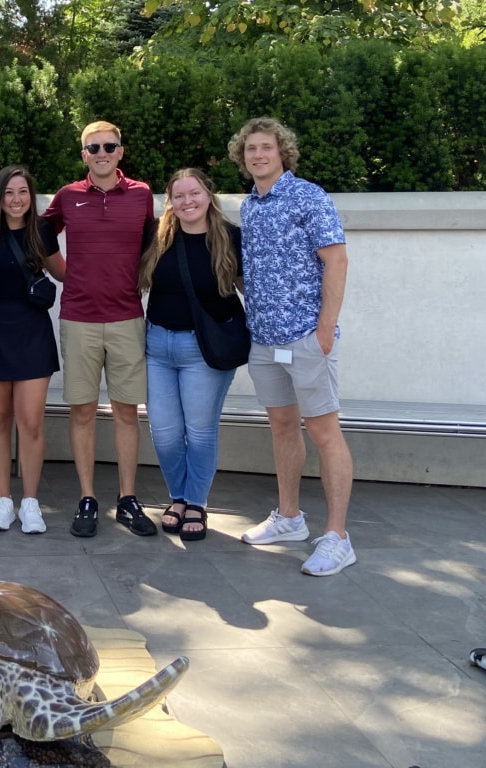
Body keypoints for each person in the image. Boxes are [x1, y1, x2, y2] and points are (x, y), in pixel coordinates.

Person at [228, 117, 356, 576]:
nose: (258, 155)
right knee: (283, 427)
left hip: (306, 336)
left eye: (266, 147)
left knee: (324, 432)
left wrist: (326, 327)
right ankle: (289, 518)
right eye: (250, 149)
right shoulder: (250, 206)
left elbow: (336, 259)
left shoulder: (308, 197)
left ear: (283, 151)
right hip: (263, 340)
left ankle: (338, 537)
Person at [42, 121, 157, 539]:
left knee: (128, 411)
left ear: (121, 151)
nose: (102, 152)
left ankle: (127, 498)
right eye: (93, 147)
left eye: (109, 146)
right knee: (83, 411)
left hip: (127, 317)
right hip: (79, 318)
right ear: (84, 154)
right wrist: (65, 275)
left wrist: (141, 277)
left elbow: (152, 242)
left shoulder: (142, 194)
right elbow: (40, 234)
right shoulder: (68, 197)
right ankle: (88, 497)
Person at [138, 169, 243, 542]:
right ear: (170, 202)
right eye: (178, 196)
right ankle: (177, 496)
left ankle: (194, 501)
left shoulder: (230, 237)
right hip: (157, 346)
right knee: (165, 434)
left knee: (199, 432)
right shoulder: (157, 236)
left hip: (204, 349)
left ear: (208, 195)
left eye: (194, 193)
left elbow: (251, 290)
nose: (187, 201)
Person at [0, 166, 66, 534]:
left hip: (31, 334)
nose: (16, 199)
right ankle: (3, 501)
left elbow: (64, 274)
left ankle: (30, 503)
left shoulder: (42, 231)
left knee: (30, 421)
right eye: (9, 192)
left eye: (23, 192)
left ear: (31, 195)